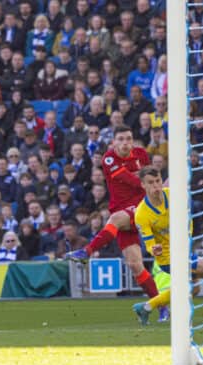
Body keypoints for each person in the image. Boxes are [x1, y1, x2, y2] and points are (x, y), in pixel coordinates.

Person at [64, 126, 161, 311]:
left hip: (140, 207)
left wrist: (143, 181)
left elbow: (146, 182)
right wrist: (141, 179)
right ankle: (161, 305)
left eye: (129, 138)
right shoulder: (108, 158)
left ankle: (87, 252)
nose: (126, 143)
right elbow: (132, 180)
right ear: (114, 142)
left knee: (115, 219)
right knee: (135, 265)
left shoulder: (141, 154)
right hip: (122, 209)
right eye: (121, 139)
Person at [132, 166, 203, 324]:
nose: (156, 186)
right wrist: (154, 249)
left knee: (193, 289)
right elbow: (149, 244)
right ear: (143, 185)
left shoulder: (173, 196)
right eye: (150, 183)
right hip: (167, 259)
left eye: (158, 181)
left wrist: (186, 238)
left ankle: (146, 307)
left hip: (182, 252)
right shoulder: (141, 214)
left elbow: (188, 218)